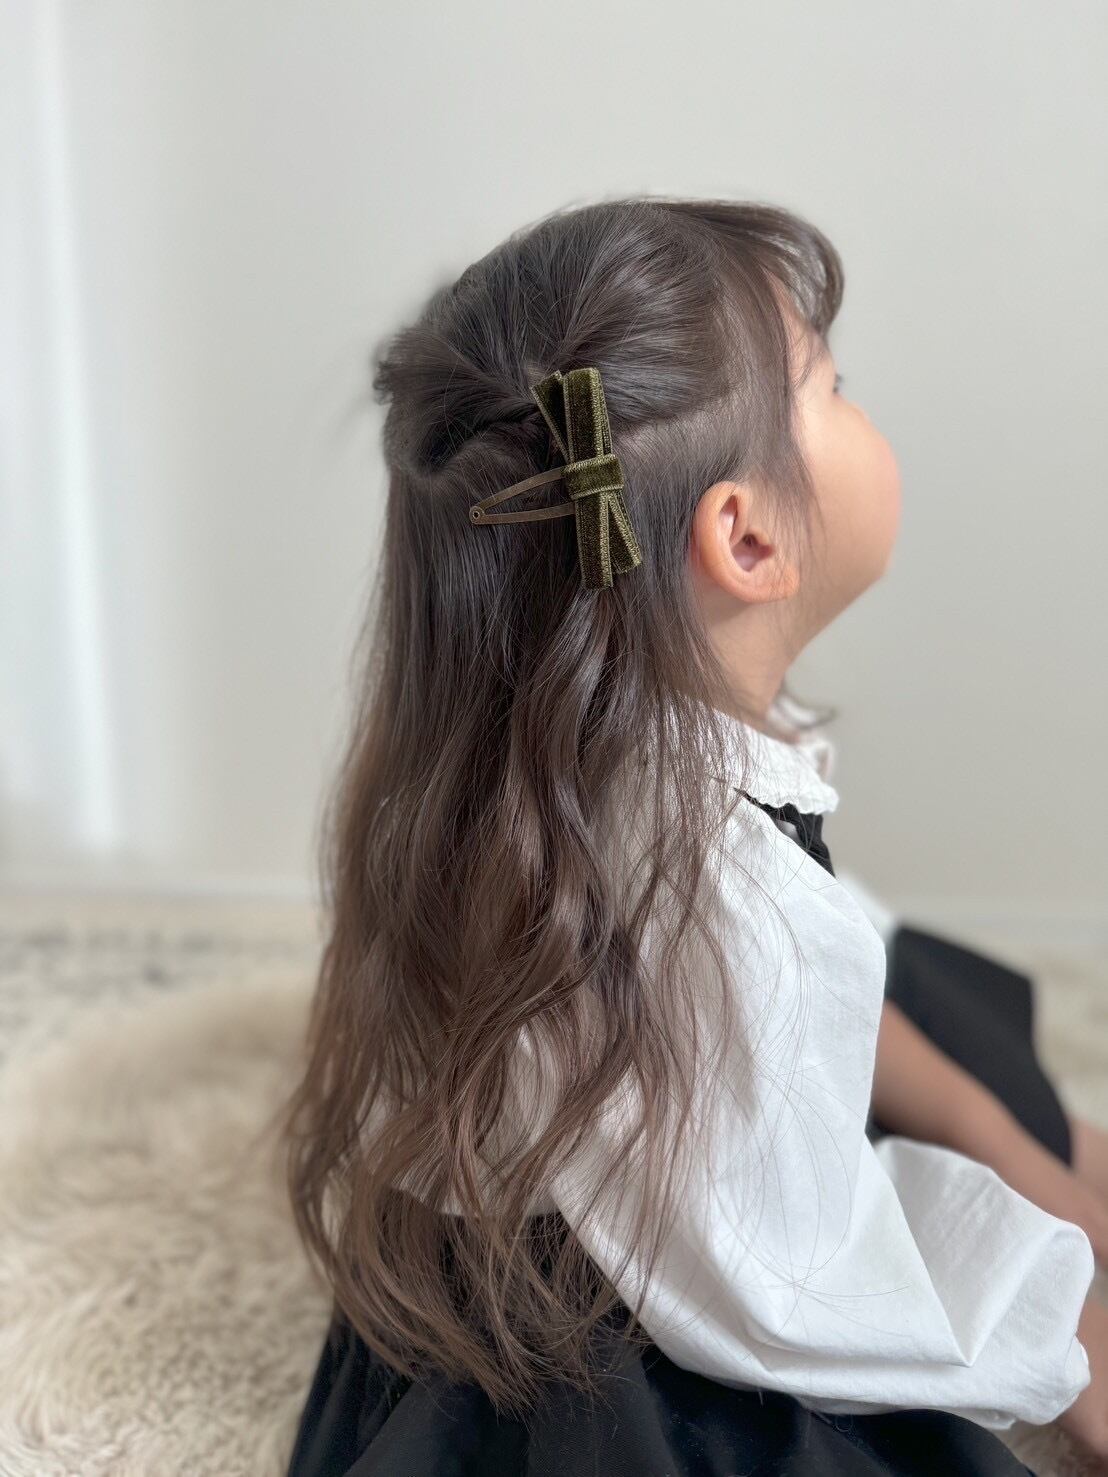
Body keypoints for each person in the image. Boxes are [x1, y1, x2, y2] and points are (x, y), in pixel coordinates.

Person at [277, 195, 1107, 1475]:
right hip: (629, 1322)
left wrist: (997, 1136)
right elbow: (797, 1275)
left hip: (667, 1132)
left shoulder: (607, 745)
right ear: (747, 536)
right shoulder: (713, 898)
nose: (860, 405)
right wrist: (1055, 1320)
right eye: (832, 387)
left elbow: (842, 990)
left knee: (923, 999)